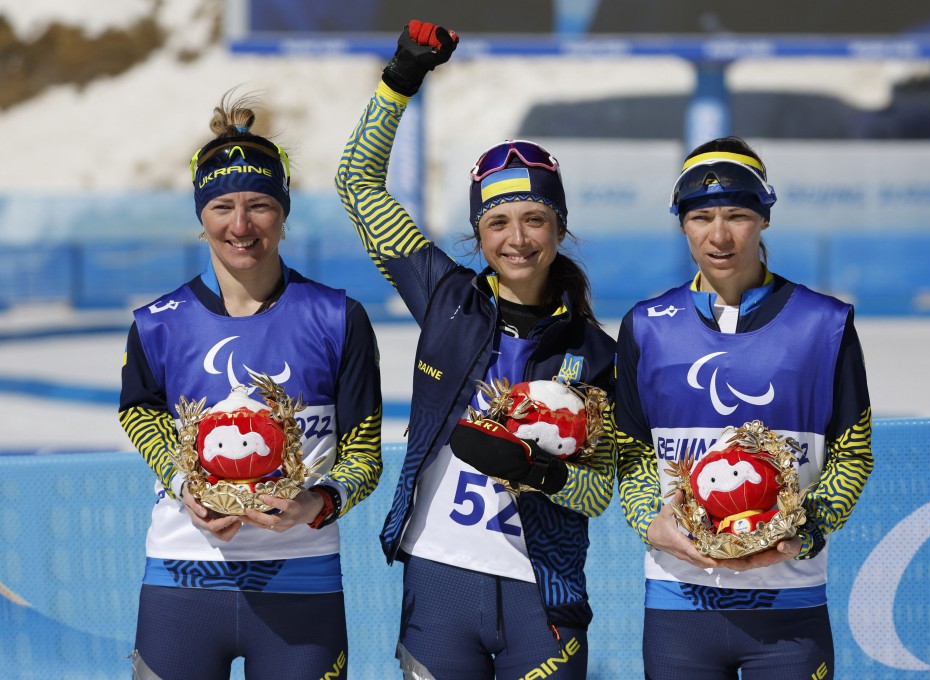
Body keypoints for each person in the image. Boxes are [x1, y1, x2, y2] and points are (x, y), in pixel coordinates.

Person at [335, 20, 617, 680]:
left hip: (542, 594)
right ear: (478, 233)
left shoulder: (596, 351)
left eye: (534, 218)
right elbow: (358, 186)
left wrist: (540, 472)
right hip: (440, 583)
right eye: (497, 222)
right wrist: (400, 79)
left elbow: (603, 493)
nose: (517, 238)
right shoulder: (445, 296)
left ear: (559, 226)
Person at [118, 91, 383, 680]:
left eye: (260, 205)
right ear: (200, 216)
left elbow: (364, 453)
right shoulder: (157, 322)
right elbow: (141, 416)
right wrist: (186, 484)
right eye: (222, 207)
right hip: (182, 579)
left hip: (303, 583)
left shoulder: (338, 317)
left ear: (284, 213)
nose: (241, 226)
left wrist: (319, 504)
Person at [615, 137, 874, 679]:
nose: (719, 234)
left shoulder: (823, 324)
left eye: (737, 215)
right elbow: (633, 453)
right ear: (681, 223)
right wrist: (650, 523)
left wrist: (807, 532)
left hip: (790, 610)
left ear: (764, 218)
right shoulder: (645, 325)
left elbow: (853, 454)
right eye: (701, 216)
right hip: (678, 606)